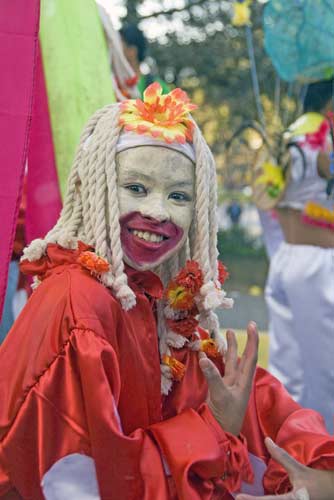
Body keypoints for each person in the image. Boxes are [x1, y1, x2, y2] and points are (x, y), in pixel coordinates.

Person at [0, 83, 333, 500]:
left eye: (178, 196)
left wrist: (316, 461)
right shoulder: (78, 306)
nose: (157, 212)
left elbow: (239, 396)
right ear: (96, 190)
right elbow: (89, 476)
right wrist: (214, 429)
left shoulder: (158, 300)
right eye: (136, 188)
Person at [265, 78, 334, 434]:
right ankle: (321, 452)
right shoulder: (323, 136)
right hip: (319, 261)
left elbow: (266, 197)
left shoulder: (287, 137)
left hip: (286, 257)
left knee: (287, 366)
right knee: (325, 372)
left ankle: (286, 446)